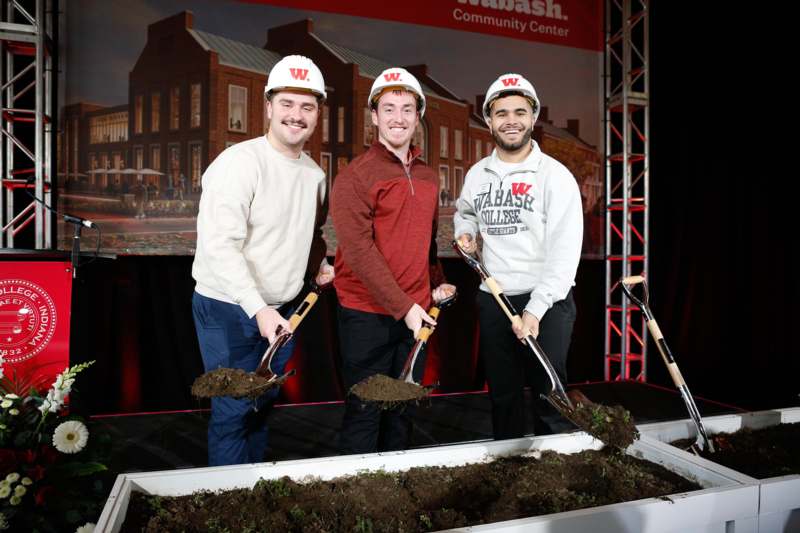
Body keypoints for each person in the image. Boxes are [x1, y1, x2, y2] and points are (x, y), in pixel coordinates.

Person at [191, 55, 334, 466]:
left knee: (263, 402)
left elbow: (310, 235)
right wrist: (258, 309)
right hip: (229, 308)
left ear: (317, 115)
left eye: (307, 107)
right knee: (233, 412)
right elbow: (220, 247)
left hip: (283, 311)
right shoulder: (239, 164)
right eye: (287, 104)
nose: (296, 115)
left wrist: (316, 269)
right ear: (268, 107)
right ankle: (227, 503)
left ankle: (251, 483)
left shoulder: (313, 174)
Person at [332, 67, 455, 454]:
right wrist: (405, 307)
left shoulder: (429, 177)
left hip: (415, 311)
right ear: (374, 116)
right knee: (365, 411)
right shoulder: (355, 177)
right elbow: (359, 252)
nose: (398, 118)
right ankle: (357, 497)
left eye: (406, 109)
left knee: (402, 408)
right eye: (388, 108)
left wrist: (436, 280)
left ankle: (396, 492)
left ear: (417, 116)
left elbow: (426, 243)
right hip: (366, 313)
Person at [454, 73, 583, 439]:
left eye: (520, 112)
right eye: (501, 113)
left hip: (547, 302)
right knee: (503, 397)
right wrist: (467, 232)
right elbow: (465, 213)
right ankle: (509, 468)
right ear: (489, 120)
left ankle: (555, 477)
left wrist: (535, 308)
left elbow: (564, 253)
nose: (511, 120)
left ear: (533, 117)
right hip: (494, 298)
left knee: (551, 399)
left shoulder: (555, 177)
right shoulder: (478, 174)